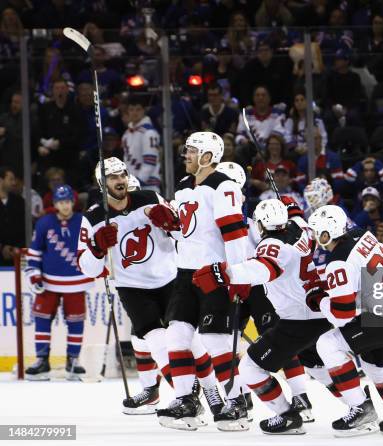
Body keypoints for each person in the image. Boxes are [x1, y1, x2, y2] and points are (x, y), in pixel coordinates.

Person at [77, 158, 219, 416]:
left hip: (170, 279)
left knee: (192, 340)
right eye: (112, 177)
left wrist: (173, 225)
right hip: (132, 288)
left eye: (122, 175)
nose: (119, 180)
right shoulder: (94, 217)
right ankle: (186, 398)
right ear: (101, 183)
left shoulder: (150, 197)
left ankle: (213, 394)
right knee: (156, 342)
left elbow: (186, 236)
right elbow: (88, 269)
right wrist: (96, 248)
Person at [192, 199, 331, 434]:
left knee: (250, 368)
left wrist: (225, 274)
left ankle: (287, 416)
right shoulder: (302, 227)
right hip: (316, 307)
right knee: (316, 363)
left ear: (260, 224)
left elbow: (265, 267)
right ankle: (358, 404)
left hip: (297, 315)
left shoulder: (271, 244)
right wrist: (294, 210)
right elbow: (297, 223)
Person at [145, 132, 250, 431]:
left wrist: (237, 274)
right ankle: (185, 401)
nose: (186, 156)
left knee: (216, 339)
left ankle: (237, 402)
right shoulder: (182, 186)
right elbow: (189, 232)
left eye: (191, 151)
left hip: (214, 273)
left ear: (207, 157)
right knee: (176, 335)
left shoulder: (224, 186)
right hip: (185, 272)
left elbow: (234, 234)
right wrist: (171, 226)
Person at [308, 205, 383, 435]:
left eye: (316, 232)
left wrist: (319, 300)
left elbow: (343, 314)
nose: (313, 237)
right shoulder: (362, 234)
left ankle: (361, 409)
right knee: (375, 364)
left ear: (326, 234)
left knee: (328, 344)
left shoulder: (338, 261)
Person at [23, 185, 94, 381]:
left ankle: (73, 360)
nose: (65, 206)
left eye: (68, 202)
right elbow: (35, 252)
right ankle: (42, 360)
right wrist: (34, 275)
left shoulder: (82, 222)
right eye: (61, 202)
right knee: (42, 319)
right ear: (55, 204)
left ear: (73, 202)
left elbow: (93, 248)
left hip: (77, 281)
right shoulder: (44, 223)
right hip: (48, 282)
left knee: (76, 321)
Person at [121, 96, 162, 192]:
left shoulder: (149, 133)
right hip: (131, 186)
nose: (135, 113)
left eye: (138, 109)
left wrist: (138, 182)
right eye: (131, 109)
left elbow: (150, 161)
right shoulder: (127, 134)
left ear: (144, 111)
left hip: (148, 187)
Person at [283, 88, 328, 157]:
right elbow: (286, 137)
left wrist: (314, 148)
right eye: (297, 100)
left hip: (314, 151)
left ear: (307, 102)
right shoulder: (290, 120)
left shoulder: (316, 119)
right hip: (296, 152)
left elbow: (324, 137)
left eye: (302, 100)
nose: (299, 102)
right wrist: (295, 148)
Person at [0, 166, 25, 266]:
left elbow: (26, 228)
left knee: (22, 279)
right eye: (10, 179)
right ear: (1, 180)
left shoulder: (19, 201)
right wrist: (2, 248)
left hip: (18, 253)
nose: (14, 183)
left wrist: (16, 247)